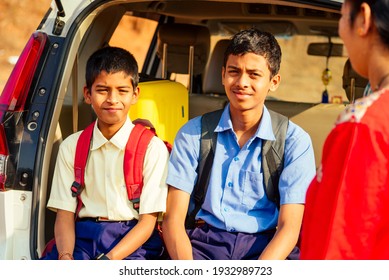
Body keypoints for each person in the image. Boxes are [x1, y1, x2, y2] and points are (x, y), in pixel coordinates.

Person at [162, 28, 316, 260]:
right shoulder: (192, 134)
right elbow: (173, 220)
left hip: (267, 246)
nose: (242, 82)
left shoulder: (295, 141)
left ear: (274, 82)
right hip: (202, 244)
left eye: (254, 75)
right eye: (234, 71)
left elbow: (289, 229)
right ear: (223, 75)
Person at [41, 47, 169, 260]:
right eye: (102, 90)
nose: (112, 99)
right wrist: (65, 256)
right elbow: (64, 214)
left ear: (135, 94)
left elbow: (148, 222)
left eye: (122, 90)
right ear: (87, 94)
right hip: (81, 237)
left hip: (134, 240)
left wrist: (109, 260)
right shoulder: (71, 146)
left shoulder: (151, 148)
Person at [300, 0, 389, 259]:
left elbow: (337, 247)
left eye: (341, 16)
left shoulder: (363, 124)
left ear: (363, 18)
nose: (341, 29)